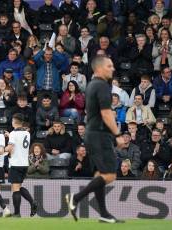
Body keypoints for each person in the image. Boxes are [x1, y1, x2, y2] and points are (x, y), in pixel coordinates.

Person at [66, 55, 125, 223]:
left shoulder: (92, 85)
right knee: (110, 175)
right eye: (109, 66)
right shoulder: (102, 86)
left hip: (93, 134)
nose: (112, 68)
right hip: (99, 135)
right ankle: (76, 198)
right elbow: (106, 113)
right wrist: (118, 135)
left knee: (100, 173)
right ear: (99, 69)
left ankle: (104, 214)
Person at [3, 113, 36, 217]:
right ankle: (32, 202)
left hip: (15, 163)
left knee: (15, 188)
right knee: (18, 186)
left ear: (14, 121)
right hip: (24, 164)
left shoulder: (13, 134)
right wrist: (10, 136)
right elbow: (19, 142)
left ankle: (17, 213)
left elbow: (10, 148)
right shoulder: (27, 133)